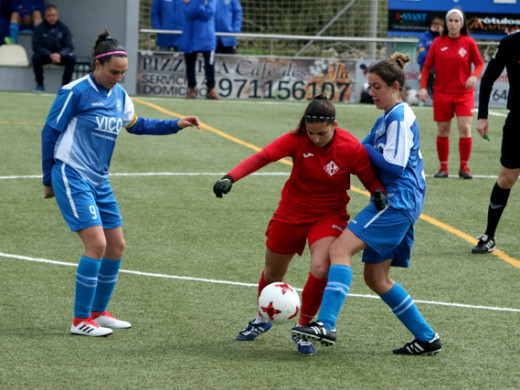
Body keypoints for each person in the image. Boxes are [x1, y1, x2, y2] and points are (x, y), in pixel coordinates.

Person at [41, 30, 201, 337]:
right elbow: (50, 134)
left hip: (100, 180)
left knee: (116, 246)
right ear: (97, 65)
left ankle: (99, 313)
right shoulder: (74, 92)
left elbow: (137, 125)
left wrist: (176, 124)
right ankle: (79, 321)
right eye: (114, 72)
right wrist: (48, 179)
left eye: (123, 73)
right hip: (72, 175)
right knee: (97, 244)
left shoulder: (119, 95)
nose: (118, 78)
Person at [213, 94, 386, 355]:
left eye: (321, 134)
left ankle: (304, 328)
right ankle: (262, 318)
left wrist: (377, 191)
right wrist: (231, 177)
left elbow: (369, 177)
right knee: (272, 274)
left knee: (321, 267)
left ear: (334, 125)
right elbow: (262, 157)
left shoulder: (350, 147)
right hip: (291, 211)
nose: (315, 139)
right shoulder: (296, 139)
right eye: (311, 133)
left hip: (328, 215)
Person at [293, 53, 442, 356]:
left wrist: (358, 149)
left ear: (394, 86)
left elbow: (395, 164)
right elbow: (360, 151)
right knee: (376, 278)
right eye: (370, 86)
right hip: (401, 201)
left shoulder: (400, 117)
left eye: (376, 87)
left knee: (339, 250)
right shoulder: (387, 117)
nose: (371, 92)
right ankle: (427, 338)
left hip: (397, 200)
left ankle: (326, 324)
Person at [418, 8, 484, 179]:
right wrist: (423, 87)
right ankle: (443, 168)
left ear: (462, 24)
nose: (453, 24)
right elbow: (426, 67)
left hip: (464, 94)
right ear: (446, 23)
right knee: (443, 131)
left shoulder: (469, 42)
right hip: (441, 93)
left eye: (457, 21)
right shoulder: (437, 43)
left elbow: (479, 63)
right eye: (451, 20)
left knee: (465, 128)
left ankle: (464, 167)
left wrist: (474, 76)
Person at [472, 30, 520, 254]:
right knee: (506, 179)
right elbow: (489, 76)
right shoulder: (511, 42)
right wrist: (482, 115)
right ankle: (489, 235)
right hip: (517, 122)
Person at [178, 0, 218, 100]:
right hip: (190, 38)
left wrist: (195, 3)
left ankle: (211, 89)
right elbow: (189, 13)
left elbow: (208, 14)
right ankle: (192, 89)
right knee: (190, 65)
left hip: (207, 39)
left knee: (209, 65)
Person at [31, 5, 76, 92]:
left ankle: (65, 86)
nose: (52, 18)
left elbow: (69, 46)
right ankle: (40, 85)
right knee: (36, 57)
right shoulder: (40, 29)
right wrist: (49, 55)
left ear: (57, 15)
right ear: (45, 16)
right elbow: (36, 46)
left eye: (53, 15)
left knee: (72, 58)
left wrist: (60, 54)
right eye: (49, 15)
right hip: (46, 56)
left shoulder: (64, 28)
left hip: (60, 57)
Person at [416, 14, 444, 99]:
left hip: (440, 66)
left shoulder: (444, 38)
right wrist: (434, 57)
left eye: (438, 27)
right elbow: (422, 52)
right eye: (434, 27)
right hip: (426, 64)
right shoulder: (424, 37)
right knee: (430, 81)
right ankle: (435, 97)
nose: (436, 29)